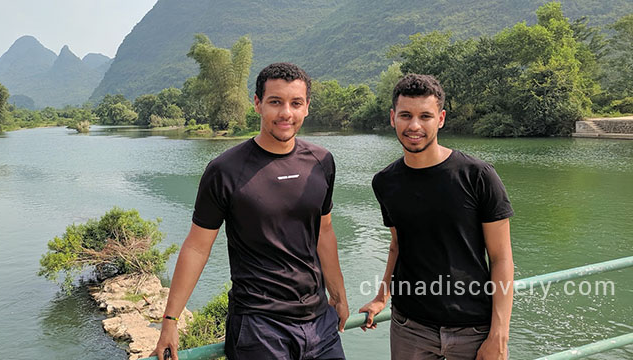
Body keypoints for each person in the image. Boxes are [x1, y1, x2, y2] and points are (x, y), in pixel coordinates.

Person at [153, 62, 349, 360]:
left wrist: (338, 295)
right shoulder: (225, 170)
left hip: (319, 322)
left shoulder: (321, 162)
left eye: (296, 103)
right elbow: (196, 247)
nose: (286, 113)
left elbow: (324, 232)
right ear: (257, 104)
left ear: (307, 107)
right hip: (259, 326)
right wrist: (170, 321)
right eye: (275, 102)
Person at [359, 74, 514, 360]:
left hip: (473, 328)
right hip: (410, 327)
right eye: (405, 115)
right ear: (393, 117)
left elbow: (502, 257)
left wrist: (499, 334)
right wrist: (382, 297)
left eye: (425, 116)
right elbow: (397, 245)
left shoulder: (477, 176)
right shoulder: (385, 181)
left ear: (440, 119)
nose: (414, 125)